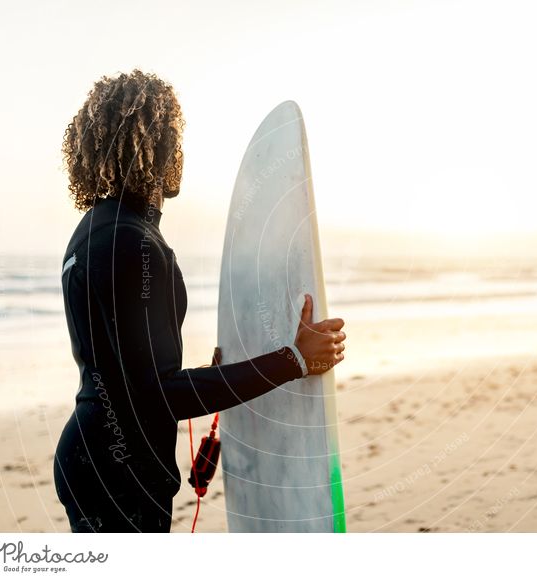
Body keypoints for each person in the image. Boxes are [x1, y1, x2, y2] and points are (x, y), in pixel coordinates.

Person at [53, 69, 346, 533]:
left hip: (96, 455)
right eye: (173, 138)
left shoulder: (92, 232)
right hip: (121, 476)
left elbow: (126, 375)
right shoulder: (134, 242)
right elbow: (157, 393)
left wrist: (212, 379)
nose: (180, 154)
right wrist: (294, 360)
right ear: (156, 146)